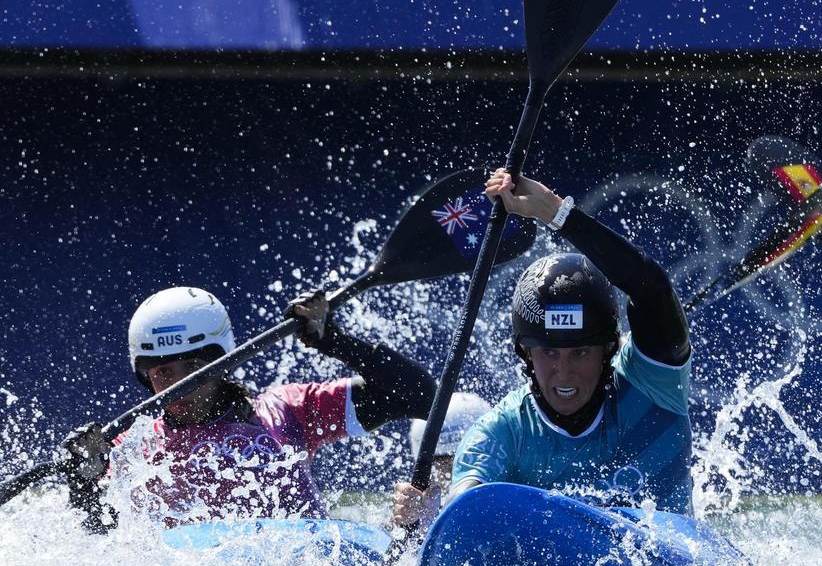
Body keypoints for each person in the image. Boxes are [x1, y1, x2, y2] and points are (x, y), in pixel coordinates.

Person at [399, 168, 693, 526]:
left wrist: (555, 212)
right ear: (525, 353)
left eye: (581, 352)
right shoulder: (501, 432)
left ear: (608, 350)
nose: (564, 371)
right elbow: (467, 506)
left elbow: (651, 289)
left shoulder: (652, 384)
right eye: (549, 352)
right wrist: (431, 522)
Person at [61, 286, 435, 532]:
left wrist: (332, 340)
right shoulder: (131, 450)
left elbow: (419, 395)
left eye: (193, 367)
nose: (177, 385)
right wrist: (83, 481)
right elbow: (102, 548)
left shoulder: (288, 410)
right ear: (144, 376)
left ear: (222, 363)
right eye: (161, 372)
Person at [390, 392, 492, 534]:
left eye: (465, 460)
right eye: (441, 463)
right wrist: (407, 524)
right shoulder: (415, 511)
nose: (454, 473)